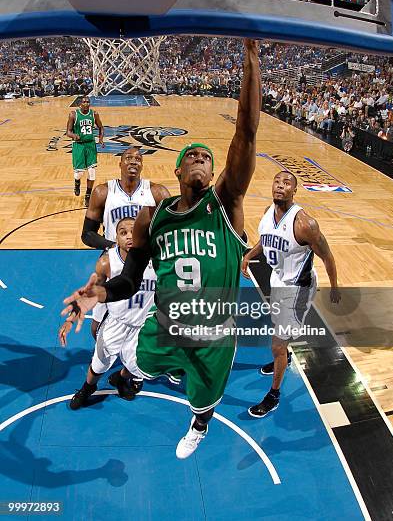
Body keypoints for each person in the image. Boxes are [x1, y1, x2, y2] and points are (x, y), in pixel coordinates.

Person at [62, 38, 261, 458]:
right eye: (193, 157)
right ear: (178, 167)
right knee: (136, 365)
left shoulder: (225, 203)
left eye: (207, 158)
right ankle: (139, 375)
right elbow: (128, 279)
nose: (202, 161)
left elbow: (246, 131)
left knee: (203, 401)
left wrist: (252, 58)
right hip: (169, 323)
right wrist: (93, 293)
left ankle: (199, 424)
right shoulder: (155, 216)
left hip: (215, 329)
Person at [241, 170, 341, 418]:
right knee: (277, 331)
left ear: (294, 191)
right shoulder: (268, 213)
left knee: (277, 342)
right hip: (278, 280)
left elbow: (327, 256)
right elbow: (267, 240)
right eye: (277, 181)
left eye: (287, 183)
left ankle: (273, 395)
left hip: (298, 289)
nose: (280, 186)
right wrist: (249, 256)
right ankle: (282, 356)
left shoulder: (305, 224)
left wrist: (336, 287)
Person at [59, 217, 156, 409]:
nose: (129, 236)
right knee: (99, 362)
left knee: (137, 363)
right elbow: (95, 292)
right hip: (117, 321)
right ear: (116, 238)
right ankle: (87, 388)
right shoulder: (107, 262)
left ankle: (120, 379)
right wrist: (75, 314)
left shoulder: (157, 259)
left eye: (133, 232)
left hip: (144, 324)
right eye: (123, 233)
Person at [81, 146, 170, 339]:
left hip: (145, 263)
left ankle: (138, 361)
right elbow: (87, 234)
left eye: (138, 159)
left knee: (147, 318)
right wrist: (112, 246)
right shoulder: (103, 192)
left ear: (142, 165)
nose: (133, 161)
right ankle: (104, 356)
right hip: (114, 262)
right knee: (98, 326)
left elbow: (169, 231)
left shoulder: (157, 193)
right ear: (120, 163)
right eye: (128, 158)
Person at [66, 96, 105, 207]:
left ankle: (88, 196)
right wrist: (74, 135)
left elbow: (101, 128)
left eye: (88, 102)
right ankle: (77, 182)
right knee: (79, 174)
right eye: (84, 102)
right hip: (79, 145)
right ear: (80, 104)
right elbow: (68, 132)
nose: (86, 103)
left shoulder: (94, 114)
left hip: (90, 144)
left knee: (92, 172)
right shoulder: (73, 114)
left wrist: (101, 139)